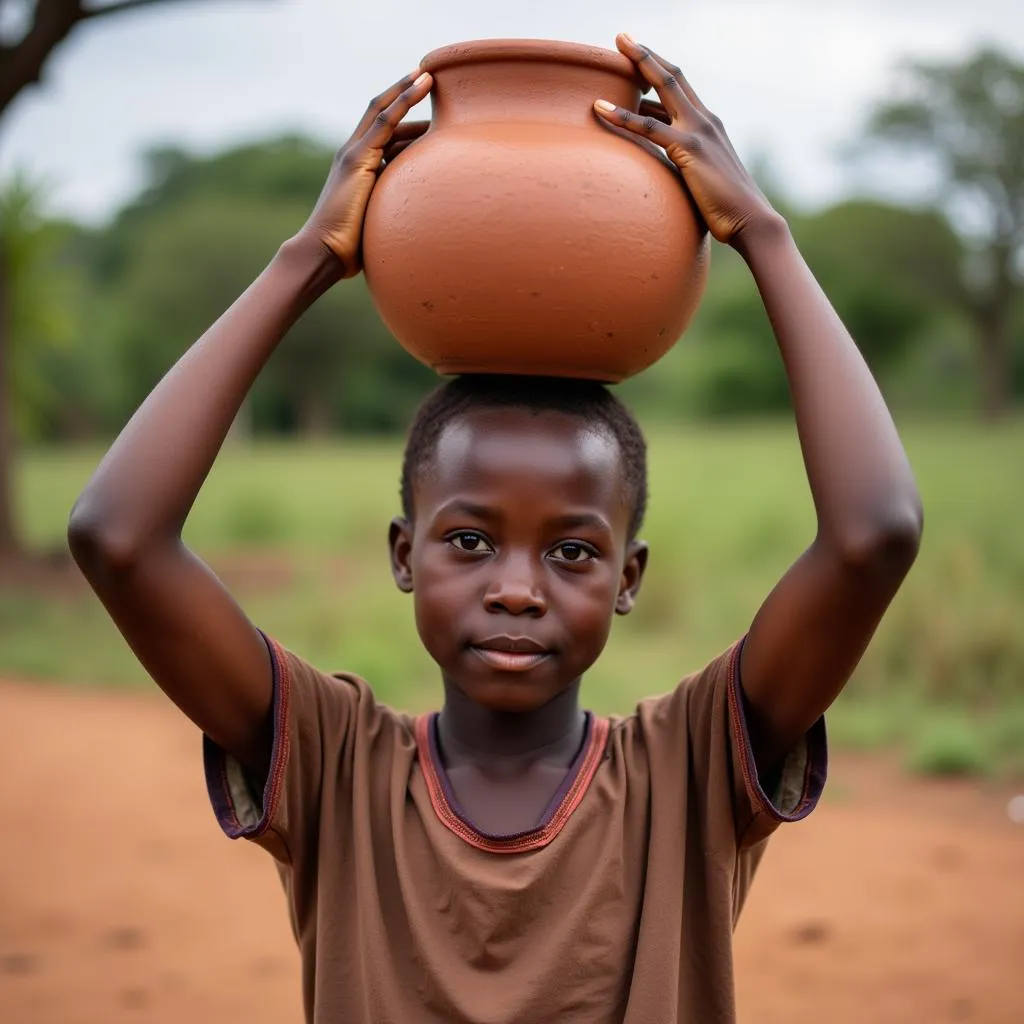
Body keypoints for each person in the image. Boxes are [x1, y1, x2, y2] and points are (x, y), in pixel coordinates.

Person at [68, 33, 922, 1024]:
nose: (516, 585)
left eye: (571, 551)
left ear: (628, 575)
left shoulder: (688, 770)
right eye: (470, 540)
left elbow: (872, 536)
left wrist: (760, 233)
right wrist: (307, 258)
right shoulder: (337, 769)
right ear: (404, 553)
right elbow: (118, 538)